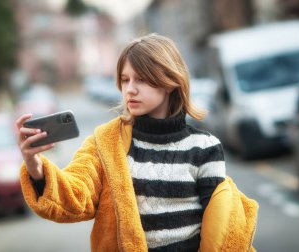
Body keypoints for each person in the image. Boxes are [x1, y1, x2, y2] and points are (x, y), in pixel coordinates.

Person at [15, 33, 259, 251]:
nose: (130, 89)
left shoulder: (205, 147)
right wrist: (35, 167)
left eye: (141, 79)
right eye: (124, 80)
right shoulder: (105, 142)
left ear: (170, 81)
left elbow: (220, 227)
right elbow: (75, 199)